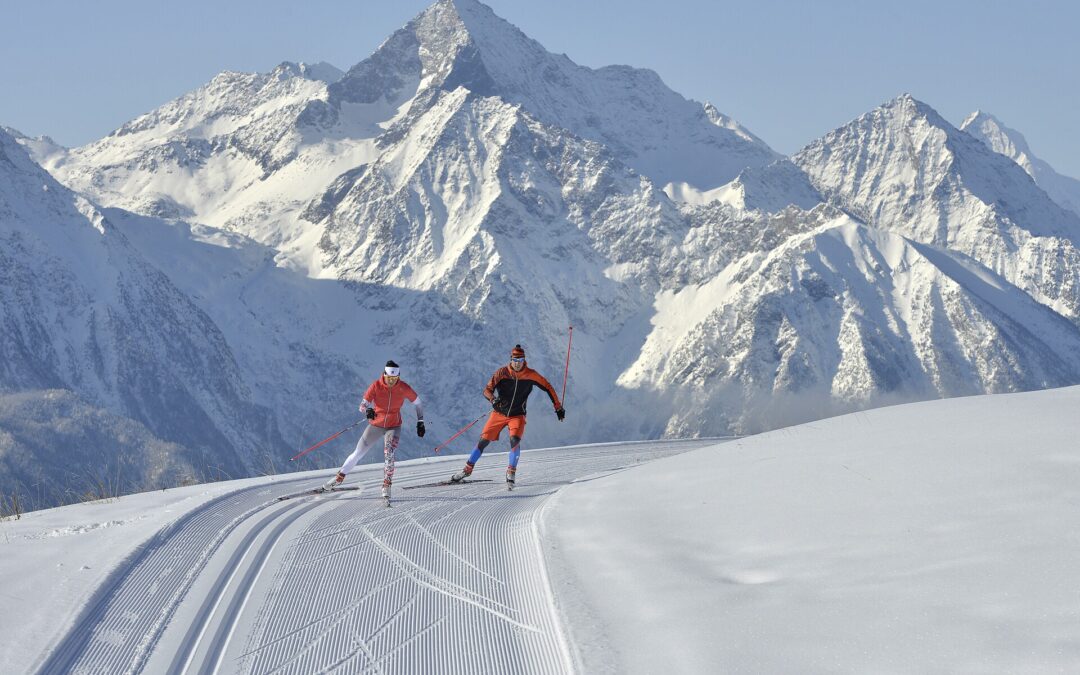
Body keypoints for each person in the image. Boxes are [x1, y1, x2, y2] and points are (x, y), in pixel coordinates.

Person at [450, 344, 565, 487]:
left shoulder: (531, 374)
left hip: (517, 416)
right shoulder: (502, 373)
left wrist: (558, 407)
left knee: (514, 440)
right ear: (511, 360)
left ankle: (511, 472)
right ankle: (467, 470)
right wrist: (493, 399)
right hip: (499, 414)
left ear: (524, 360)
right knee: (483, 441)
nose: (517, 364)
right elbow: (487, 390)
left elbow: (548, 387)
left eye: (520, 360)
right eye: (515, 360)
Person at [325, 360, 425, 501]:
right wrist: (368, 410)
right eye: (389, 378)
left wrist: (420, 421)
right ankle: (338, 478)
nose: (391, 381)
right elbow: (362, 405)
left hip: (393, 426)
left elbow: (418, 403)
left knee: (389, 454)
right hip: (376, 425)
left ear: (398, 377)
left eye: (394, 378)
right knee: (358, 453)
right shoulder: (376, 386)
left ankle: (387, 485)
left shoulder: (403, 387)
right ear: (384, 375)